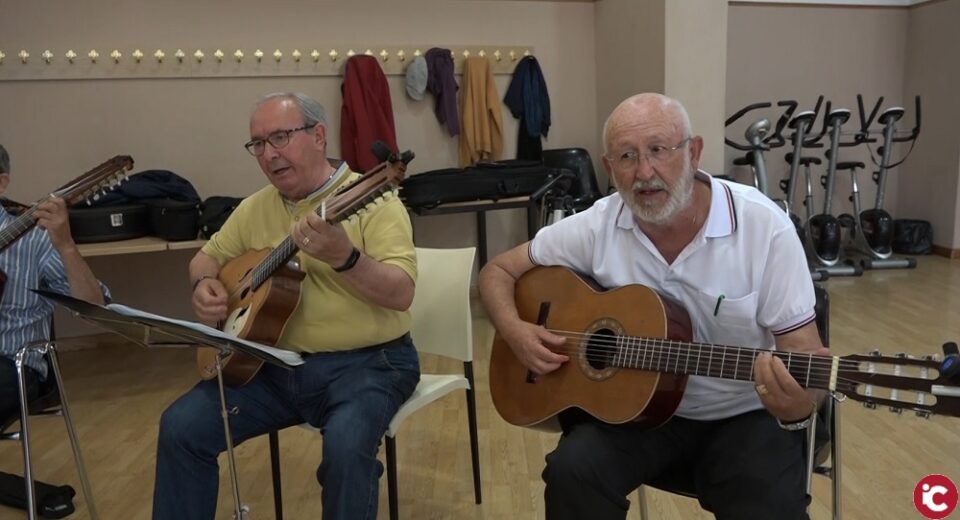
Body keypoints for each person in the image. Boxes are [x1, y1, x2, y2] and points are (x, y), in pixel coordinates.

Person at [479, 93, 829, 520]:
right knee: (572, 472)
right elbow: (497, 271)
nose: (644, 172)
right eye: (627, 156)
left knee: (768, 509)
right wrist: (515, 330)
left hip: (743, 416)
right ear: (609, 168)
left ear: (694, 153)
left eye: (659, 150)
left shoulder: (763, 227)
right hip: (639, 415)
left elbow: (805, 360)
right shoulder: (597, 225)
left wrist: (799, 406)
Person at [152, 92, 420, 520]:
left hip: (369, 365)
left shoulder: (376, 201)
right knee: (181, 427)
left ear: (319, 136)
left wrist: (345, 258)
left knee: (347, 451)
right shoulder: (255, 206)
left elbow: (402, 293)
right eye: (258, 144)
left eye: (280, 137)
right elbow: (205, 258)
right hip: (273, 366)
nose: (268, 153)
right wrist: (204, 283)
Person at [0, 142, 109, 428]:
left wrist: (66, 245)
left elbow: (95, 311)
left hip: (13, 366)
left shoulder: (36, 240)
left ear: (1, 183)